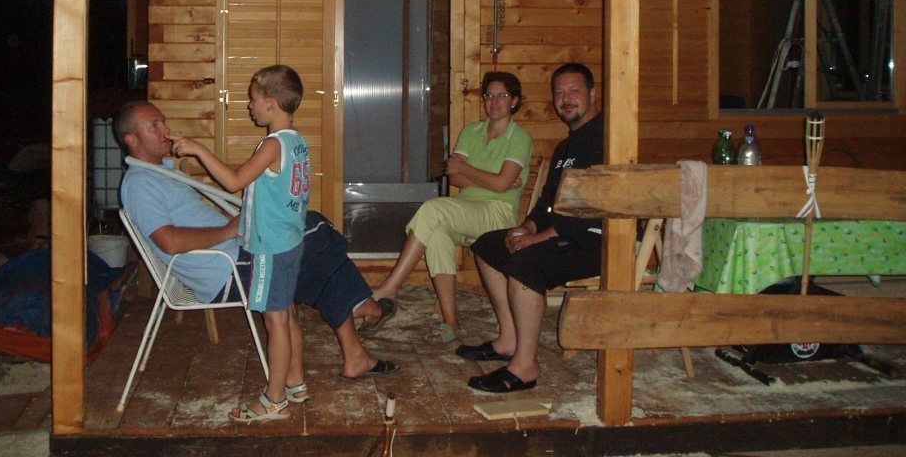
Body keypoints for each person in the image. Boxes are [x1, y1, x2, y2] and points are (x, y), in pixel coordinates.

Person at [116, 100, 399, 394]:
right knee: (316, 231)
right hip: (224, 268)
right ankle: (360, 310)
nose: (165, 130)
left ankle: (352, 345)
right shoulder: (140, 184)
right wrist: (228, 230)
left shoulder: (160, 172)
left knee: (317, 254)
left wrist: (238, 224)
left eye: (163, 121)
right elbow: (170, 241)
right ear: (131, 139)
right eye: (154, 126)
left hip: (236, 250)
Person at [457, 62, 603, 393]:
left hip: (597, 239)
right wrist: (527, 227)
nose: (566, 98)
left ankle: (525, 366)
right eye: (559, 93)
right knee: (488, 245)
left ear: (593, 94)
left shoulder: (606, 137)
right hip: (563, 233)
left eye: (574, 91)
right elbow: (547, 201)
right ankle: (508, 340)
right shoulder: (566, 147)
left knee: (526, 262)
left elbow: (592, 207)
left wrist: (540, 238)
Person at [371, 71, 533, 344]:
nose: (494, 101)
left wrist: (474, 172)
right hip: (466, 208)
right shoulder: (471, 131)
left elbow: (497, 184)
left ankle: (390, 287)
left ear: (514, 101)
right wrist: (493, 180)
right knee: (436, 233)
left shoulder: (520, 138)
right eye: (489, 95)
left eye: (502, 96)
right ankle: (451, 322)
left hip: (497, 213)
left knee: (433, 209)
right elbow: (454, 177)